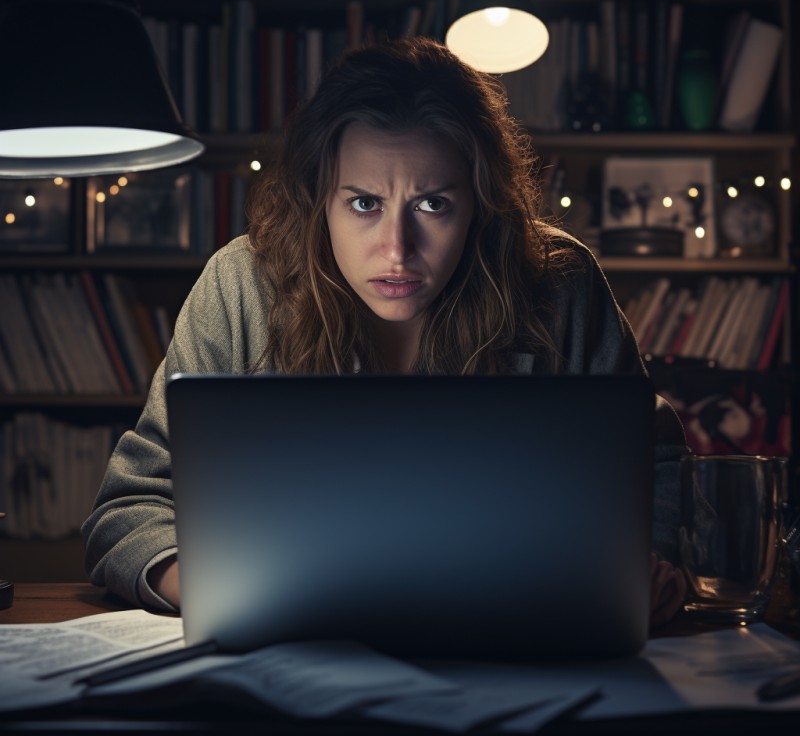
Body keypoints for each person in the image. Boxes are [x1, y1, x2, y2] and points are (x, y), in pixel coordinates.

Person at [82, 37, 687, 627]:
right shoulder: (240, 283)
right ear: (320, 197)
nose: (397, 250)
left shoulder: (559, 282)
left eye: (433, 205)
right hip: (294, 652)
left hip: (521, 639)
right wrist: (217, 588)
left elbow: (656, 463)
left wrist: (652, 563)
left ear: (479, 203)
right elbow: (128, 507)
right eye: (364, 203)